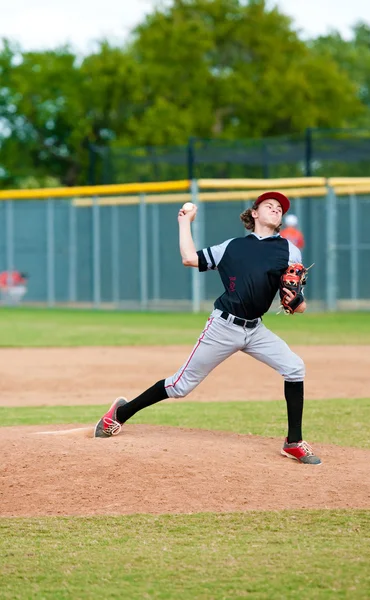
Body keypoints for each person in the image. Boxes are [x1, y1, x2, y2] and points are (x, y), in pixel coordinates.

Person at [94, 191, 321, 465]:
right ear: (254, 214)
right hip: (223, 326)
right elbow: (190, 258)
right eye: (268, 205)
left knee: (295, 368)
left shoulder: (289, 250)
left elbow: (299, 304)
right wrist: (184, 221)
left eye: (279, 208)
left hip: (256, 330)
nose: (275, 209)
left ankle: (293, 442)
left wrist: (297, 302)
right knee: (180, 386)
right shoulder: (232, 247)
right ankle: (118, 415)